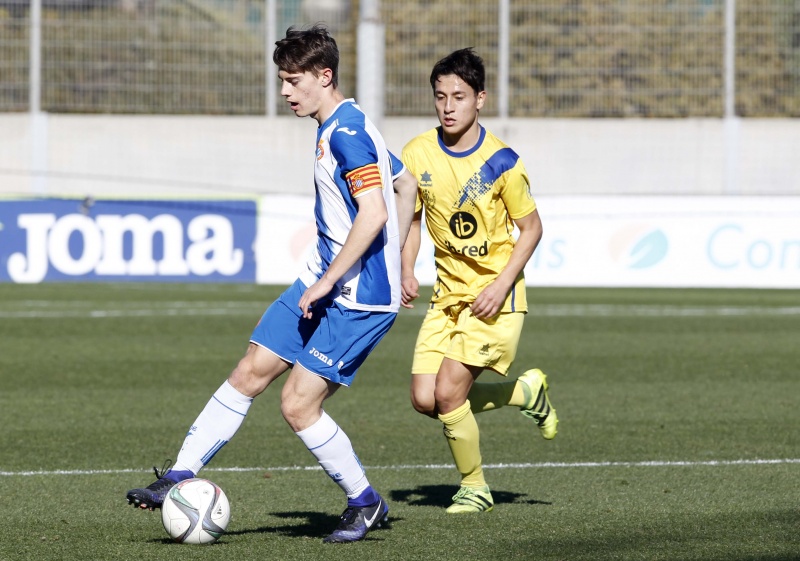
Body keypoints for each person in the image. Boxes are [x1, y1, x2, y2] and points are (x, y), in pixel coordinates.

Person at [126, 24, 417, 544]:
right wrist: (401, 260)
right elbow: (406, 182)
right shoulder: (342, 126)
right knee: (251, 369)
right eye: (281, 79)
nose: (284, 91)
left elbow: (373, 212)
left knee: (298, 405)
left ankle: (365, 501)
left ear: (323, 76)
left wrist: (360, 275)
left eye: (292, 80)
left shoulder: (347, 135)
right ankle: (178, 473)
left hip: (357, 300)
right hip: (325, 280)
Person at [400, 48, 558, 514]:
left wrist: (501, 284)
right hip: (446, 298)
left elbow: (532, 228)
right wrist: (406, 269)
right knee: (425, 399)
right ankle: (525, 393)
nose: (448, 106)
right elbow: (411, 222)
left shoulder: (502, 161)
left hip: (495, 298)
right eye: (440, 96)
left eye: (459, 97)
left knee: (449, 392)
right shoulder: (416, 153)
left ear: (480, 99)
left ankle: (475, 487)